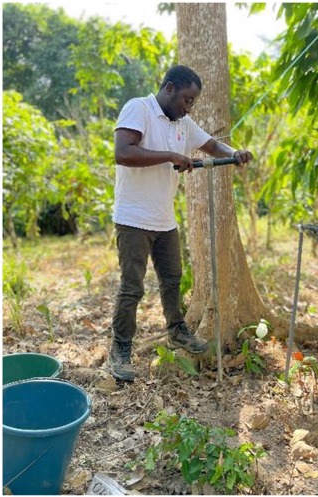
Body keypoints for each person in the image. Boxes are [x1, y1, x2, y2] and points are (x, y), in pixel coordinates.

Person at [108, 65, 254, 382]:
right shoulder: (139, 108)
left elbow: (213, 146)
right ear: (170, 88)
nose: (189, 108)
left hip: (164, 220)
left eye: (193, 103)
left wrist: (236, 153)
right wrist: (170, 155)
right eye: (187, 100)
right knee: (132, 288)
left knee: (173, 279)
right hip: (133, 218)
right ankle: (120, 350)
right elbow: (123, 152)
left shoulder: (183, 123)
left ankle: (177, 331)